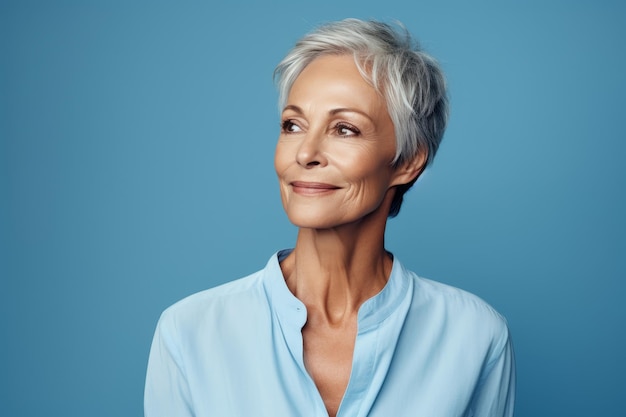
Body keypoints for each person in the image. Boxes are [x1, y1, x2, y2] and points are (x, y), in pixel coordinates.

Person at [144, 18, 515, 417]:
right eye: (292, 125)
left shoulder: (475, 337)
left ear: (407, 162)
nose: (305, 153)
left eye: (344, 129)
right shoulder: (188, 333)